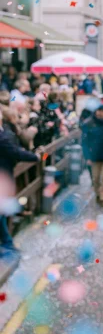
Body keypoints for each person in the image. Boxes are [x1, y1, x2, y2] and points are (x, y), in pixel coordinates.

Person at [0, 110, 39, 263]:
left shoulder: (4, 133)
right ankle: (8, 244)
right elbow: (15, 152)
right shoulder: (2, 137)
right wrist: (35, 157)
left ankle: (8, 244)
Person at [80, 104, 103, 207]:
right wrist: (87, 157)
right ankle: (98, 194)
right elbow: (84, 142)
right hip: (94, 155)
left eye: (102, 111)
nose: (100, 113)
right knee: (95, 178)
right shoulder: (88, 123)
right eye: (98, 111)